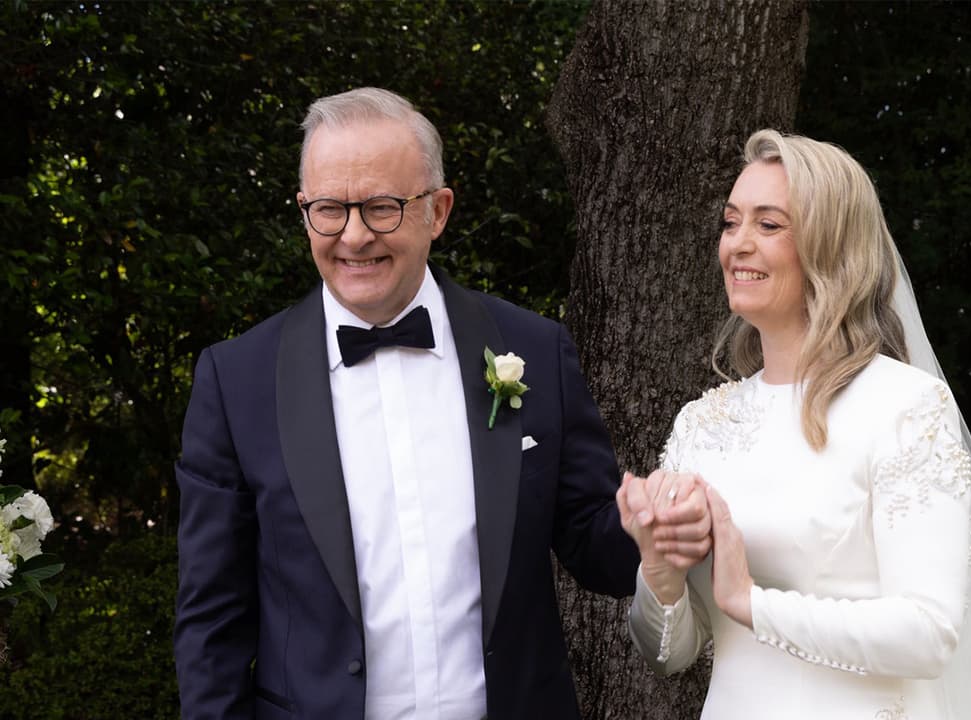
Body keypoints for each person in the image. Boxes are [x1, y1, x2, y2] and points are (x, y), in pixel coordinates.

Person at [173, 87, 696, 720]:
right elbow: (211, 619)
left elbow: (593, 543)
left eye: (382, 207)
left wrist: (649, 533)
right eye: (329, 210)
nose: (354, 236)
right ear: (304, 210)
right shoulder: (238, 380)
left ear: (438, 211)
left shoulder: (534, 348)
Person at [621, 130, 971, 719]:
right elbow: (669, 655)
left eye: (769, 225)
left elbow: (927, 633)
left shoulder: (905, 407)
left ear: (830, 245)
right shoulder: (701, 425)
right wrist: (660, 572)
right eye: (731, 223)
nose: (738, 245)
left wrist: (752, 603)